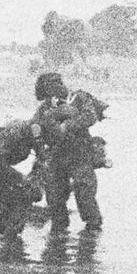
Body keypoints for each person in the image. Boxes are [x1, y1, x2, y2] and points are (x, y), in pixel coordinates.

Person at [31, 72, 108, 232]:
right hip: (56, 153)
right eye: (47, 93)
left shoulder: (79, 98)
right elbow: (35, 125)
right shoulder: (46, 106)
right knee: (54, 195)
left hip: (80, 151)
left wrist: (67, 126)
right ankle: (59, 230)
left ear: (59, 85)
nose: (50, 96)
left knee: (84, 191)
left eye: (52, 90)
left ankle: (92, 231)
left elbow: (90, 116)